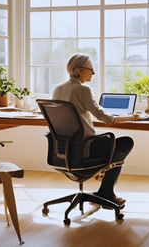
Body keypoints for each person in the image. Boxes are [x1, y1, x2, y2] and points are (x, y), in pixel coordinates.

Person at [52, 53, 135, 209]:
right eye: (91, 69)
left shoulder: (58, 89)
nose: (93, 73)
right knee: (125, 144)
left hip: (64, 150)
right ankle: (105, 193)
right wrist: (131, 117)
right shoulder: (83, 90)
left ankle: (106, 193)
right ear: (80, 71)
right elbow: (105, 118)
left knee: (115, 147)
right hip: (84, 148)